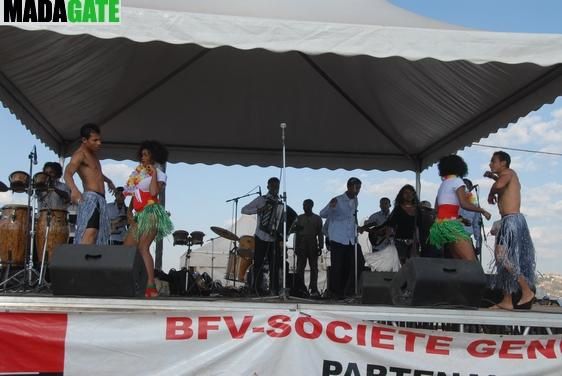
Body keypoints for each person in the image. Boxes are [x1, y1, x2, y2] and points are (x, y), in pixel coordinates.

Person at [485, 151, 536, 310]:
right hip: (509, 221)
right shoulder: (509, 176)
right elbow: (502, 184)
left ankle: (526, 290)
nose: (491, 164)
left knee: (502, 257)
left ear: (503, 163)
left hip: (511, 221)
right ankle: (507, 300)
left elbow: (500, 185)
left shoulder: (508, 173)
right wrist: (493, 177)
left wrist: (491, 191)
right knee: (506, 260)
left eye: (493, 161)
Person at [123, 140, 174, 298]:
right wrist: (129, 211)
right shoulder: (138, 173)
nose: (143, 157)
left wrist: (153, 175)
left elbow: (153, 193)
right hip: (138, 214)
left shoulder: (160, 173)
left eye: (146, 154)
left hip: (151, 212)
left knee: (143, 248)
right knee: (127, 248)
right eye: (142, 154)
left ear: (154, 156)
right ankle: (130, 282)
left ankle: (151, 286)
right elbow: (134, 194)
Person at [429, 155, 491, 261]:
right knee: (471, 262)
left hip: (441, 226)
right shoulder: (458, 181)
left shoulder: (443, 184)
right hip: (452, 226)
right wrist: (482, 210)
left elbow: (438, 210)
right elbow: (464, 204)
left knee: (458, 263)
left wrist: (461, 219)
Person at [64, 124, 115, 245]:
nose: (99, 143)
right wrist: (74, 189)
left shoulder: (93, 155)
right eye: (95, 140)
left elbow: (96, 173)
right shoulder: (80, 154)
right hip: (91, 199)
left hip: (101, 200)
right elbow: (68, 173)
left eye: (100, 140)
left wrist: (108, 181)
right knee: (90, 232)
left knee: (97, 235)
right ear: (84, 140)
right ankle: (79, 262)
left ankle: (90, 262)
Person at [320, 177, 364, 299]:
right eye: (356, 187)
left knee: (358, 262)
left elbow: (351, 218)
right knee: (337, 267)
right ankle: (336, 293)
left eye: (359, 187)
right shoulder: (338, 200)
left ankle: (349, 291)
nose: (358, 190)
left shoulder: (355, 200)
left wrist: (357, 228)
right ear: (349, 187)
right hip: (338, 239)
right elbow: (322, 214)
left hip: (351, 239)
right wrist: (330, 205)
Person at [242, 177, 284, 295]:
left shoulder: (281, 202)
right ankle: (256, 289)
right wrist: (259, 210)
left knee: (274, 265)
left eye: (277, 186)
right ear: (268, 187)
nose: (275, 188)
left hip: (273, 239)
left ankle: (273, 289)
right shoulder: (261, 199)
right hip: (261, 236)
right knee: (258, 264)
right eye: (273, 186)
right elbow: (244, 209)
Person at [293, 199, 324, 297]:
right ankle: (300, 288)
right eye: (303, 205)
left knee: (314, 267)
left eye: (306, 205)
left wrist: (321, 246)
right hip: (301, 243)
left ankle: (313, 289)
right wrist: (296, 247)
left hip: (313, 243)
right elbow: (296, 234)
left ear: (311, 206)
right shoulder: (299, 218)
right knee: (300, 267)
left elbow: (320, 233)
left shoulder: (317, 218)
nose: (304, 207)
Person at [386, 185, 421, 265]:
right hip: (399, 242)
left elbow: (420, 226)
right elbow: (390, 225)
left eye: (411, 193)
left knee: (413, 265)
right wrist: (389, 239)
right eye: (406, 193)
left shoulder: (418, 209)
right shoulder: (398, 209)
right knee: (401, 265)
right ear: (401, 195)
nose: (409, 195)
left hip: (414, 242)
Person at [459, 178, 483, 254]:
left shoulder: (475, 204)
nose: (465, 188)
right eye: (463, 186)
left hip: (467, 238)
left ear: (471, 188)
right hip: (452, 236)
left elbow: (476, 225)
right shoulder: (453, 199)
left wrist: (478, 245)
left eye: (466, 186)